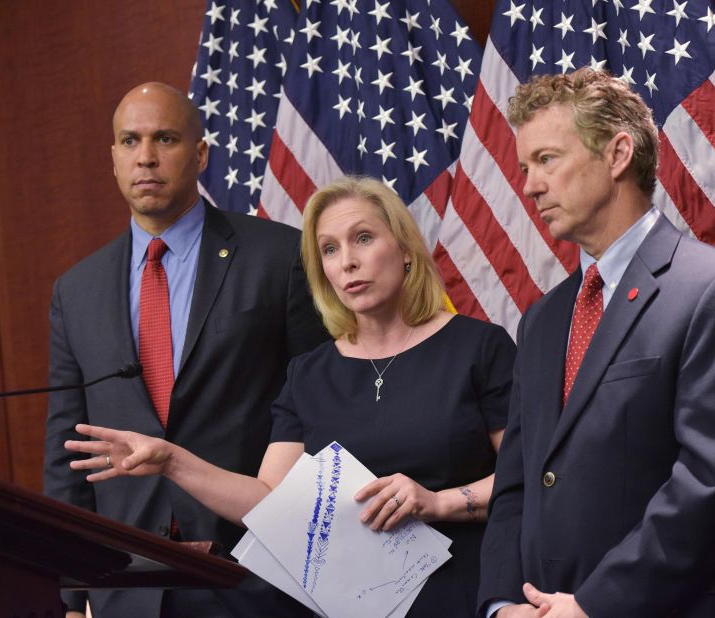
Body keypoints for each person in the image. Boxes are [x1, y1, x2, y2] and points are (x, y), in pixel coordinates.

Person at [65, 176, 517, 616]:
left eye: (363, 238)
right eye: (330, 249)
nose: (347, 262)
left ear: (405, 250)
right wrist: (171, 461)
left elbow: (529, 476)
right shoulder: (310, 373)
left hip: (459, 585)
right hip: (349, 601)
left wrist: (440, 502)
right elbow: (270, 502)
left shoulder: (478, 347)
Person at [478, 69, 715, 618]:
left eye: (546, 159)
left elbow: (711, 485)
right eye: (524, 168)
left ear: (618, 154)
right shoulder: (542, 320)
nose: (529, 185)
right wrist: (501, 605)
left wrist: (593, 605)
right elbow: (516, 484)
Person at [42, 82, 330, 618]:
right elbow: (68, 450)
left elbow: (324, 411)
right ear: (113, 158)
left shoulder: (278, 257)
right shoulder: (76, 291)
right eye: (130, 141)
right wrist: (71, 591)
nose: (145, 157)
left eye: (165, 138)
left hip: (255, 573)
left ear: (200, 154)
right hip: (125, 584)